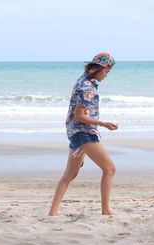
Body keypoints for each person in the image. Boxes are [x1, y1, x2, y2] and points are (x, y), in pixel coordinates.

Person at [49, 52, 118, 216]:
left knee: (69, 175)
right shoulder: (88, 88)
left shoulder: (83, 80)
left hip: (74, 133)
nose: (107, 75)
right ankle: (106, 211)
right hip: (83, 133)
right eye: (107, 71)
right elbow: (79, 116)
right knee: (109, 169)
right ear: (99, 68)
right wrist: (104, 123)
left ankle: (52, 213)